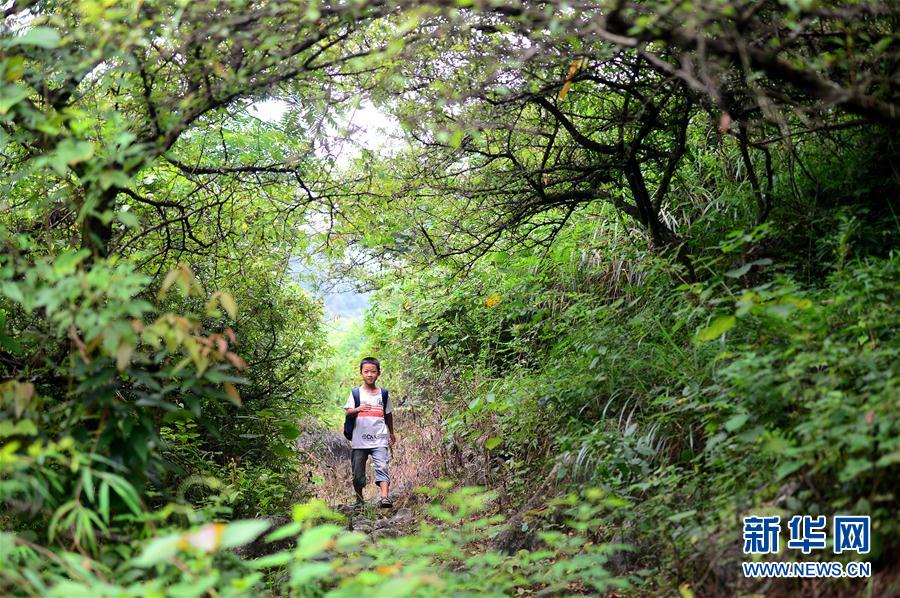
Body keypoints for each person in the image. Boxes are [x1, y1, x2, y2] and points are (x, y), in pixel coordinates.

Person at [344, 357, 396, 508]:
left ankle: (385, 498)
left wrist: (391, 432)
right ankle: (359, 500)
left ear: (378, 373)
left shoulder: (384, 394)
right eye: (366, 371)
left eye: (373, 371)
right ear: (361, 373)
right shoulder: (356, 394)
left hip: (379, 439)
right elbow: (348, 412)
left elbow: (388, 414)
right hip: (359, 440)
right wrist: (358, 409)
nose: (369, 374)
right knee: (357, 473)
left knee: (382, 466)